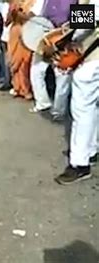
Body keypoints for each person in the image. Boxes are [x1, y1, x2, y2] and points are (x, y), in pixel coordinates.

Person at [55, 0, 99, 184]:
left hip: (93, 57)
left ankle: (80, 163)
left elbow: (88, 19)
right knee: (94, 106)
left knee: (82, 109)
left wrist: (64, 38)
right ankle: (92, 149)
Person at [28, 0, 77, 118]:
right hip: (46, 39)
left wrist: (62, 39)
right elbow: (38, 16)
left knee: (63, 78)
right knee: (36, 72)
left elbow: (84, 26)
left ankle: (58, 111)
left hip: (67, 41)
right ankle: (43, 104)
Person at [0, 0, 13, 92]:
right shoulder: (4, 6)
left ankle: (8, 81)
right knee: (5, 61)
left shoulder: (14, 7)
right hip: (5, 36)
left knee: (10, 61)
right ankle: (6, 80)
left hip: (12, 37)